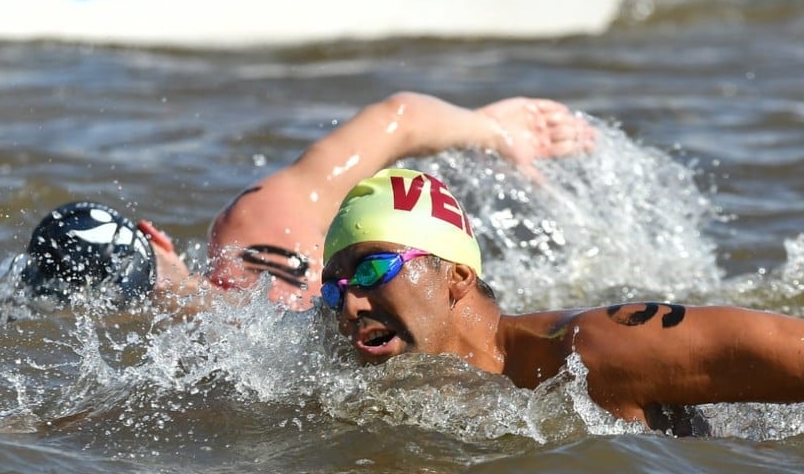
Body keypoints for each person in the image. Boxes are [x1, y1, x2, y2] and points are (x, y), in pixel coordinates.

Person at [318, 168, 804, 464]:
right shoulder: (388, 377)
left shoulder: (596, 347)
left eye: (374, 268)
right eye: (336, 283)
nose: (350, 302)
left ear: (457, 273)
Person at [134, 92, 595, 312]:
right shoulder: (257, 218)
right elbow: (401, 117)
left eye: (371, 273)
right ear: (155, 239)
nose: (353, 305)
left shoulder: (223, 338)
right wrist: (492, 131)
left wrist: (171, 289)